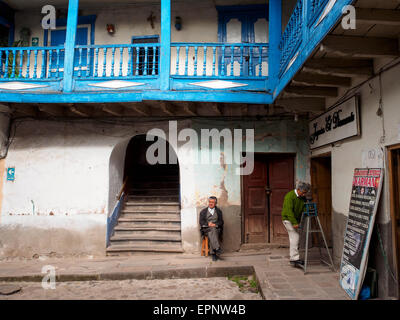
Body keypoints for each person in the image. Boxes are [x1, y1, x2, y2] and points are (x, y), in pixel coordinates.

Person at [281, 182, 310, 267]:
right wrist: (294, 222)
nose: (304, 194)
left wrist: (307, 211)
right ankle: (294, 258)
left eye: (306, 192)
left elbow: (304, 207)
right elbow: (288, 211)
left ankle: (294, 258)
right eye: (303, 192)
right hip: (288, 219)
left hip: (295, 220)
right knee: (295, 237)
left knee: (294, 238)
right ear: (298, 189)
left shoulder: (302, 197)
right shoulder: (289, 196)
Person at [199, 196, 224, 261]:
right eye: (210, 202)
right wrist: (208, 224)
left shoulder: (218, 211)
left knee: (213, 230)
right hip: (206, 229)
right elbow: (201, 222)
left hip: (216, 229)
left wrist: (215, 224)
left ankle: (213, 252)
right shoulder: (203, 211)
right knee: (212, 230)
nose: (210, 203)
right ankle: (217, 249)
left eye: (212, 202)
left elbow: (221, 222)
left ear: (215, 203)